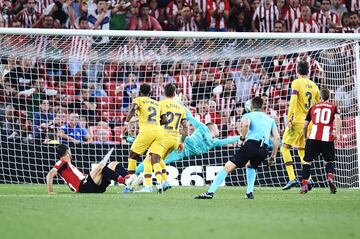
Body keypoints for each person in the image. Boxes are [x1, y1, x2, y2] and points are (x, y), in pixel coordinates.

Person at [194, 96, 280, 199]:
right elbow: (277, 138)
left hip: (251, 145)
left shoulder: (248, 115)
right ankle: (249, 193)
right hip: (263, 149)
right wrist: (273, 156)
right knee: (250, 166)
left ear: (251, 106)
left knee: (227, 167)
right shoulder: (270, 120)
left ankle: (210, 192)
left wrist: (242, 138)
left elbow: (246, 125)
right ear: (262, 107)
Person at [135, 97, 241, 177]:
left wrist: (241, 137)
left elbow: (227, 140)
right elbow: (190, 116)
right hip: (180, 142)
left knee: (157, 160)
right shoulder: (202, 127)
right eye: (217, 127)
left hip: (181, 153)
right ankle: (133, 170)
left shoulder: (214, 142)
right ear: (212, 127)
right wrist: (179, 104)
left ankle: (135, 173)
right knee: (153, 155)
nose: (219, 129)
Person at [133, 83, 188, 193]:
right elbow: (185, 126)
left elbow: (152, 119)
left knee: (148, 161)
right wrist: (181, 142)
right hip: (175, 140)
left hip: (163, 138)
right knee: (159, 160)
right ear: (175, 93)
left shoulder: (159, 104)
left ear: (163, 92)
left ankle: (148, 186)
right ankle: (164, 182)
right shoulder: (181, 108)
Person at [281, 60, 320, 190]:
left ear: (297, 70)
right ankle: (309, 179)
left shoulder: (296, 83)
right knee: (301, 150)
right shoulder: (314, 86)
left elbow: (293, 102)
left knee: (284, 147)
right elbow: (318, 105)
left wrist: (289, 118)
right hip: (309, 123)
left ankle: (292, 178)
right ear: (308, 71)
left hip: (297, 121)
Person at [124, 83, 167, 193]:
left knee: (132, 155)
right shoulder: (157, 103)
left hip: (147, 131)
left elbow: (133, 108)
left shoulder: (138, 100)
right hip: (159, 132)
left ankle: (129, 185)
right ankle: (160, 183)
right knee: (155, 159)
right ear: (150, 93)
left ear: (140, 92)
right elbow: (165, 120)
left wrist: (126, 122)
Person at [300, 88, 340, 194]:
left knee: (307, 162)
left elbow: (304, 126)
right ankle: (330, 178)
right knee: (328, 161)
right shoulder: (333, 107)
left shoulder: (313, 107)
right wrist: (338, 133)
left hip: (313, 138)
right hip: (327, 138)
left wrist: (305, 137)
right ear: (329, 97)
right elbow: (337, 119)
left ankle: (304, 185)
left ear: (320, 97)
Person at [46, 144, 127, 194]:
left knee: (114, 163)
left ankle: (129, 183)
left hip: (91, 186)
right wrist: (50, 191)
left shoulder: (69, 165)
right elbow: (50, 174)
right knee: (100, 166)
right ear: (67, 152)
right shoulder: (61, 162)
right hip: (84, 187)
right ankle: (125, 181)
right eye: (70, 151)